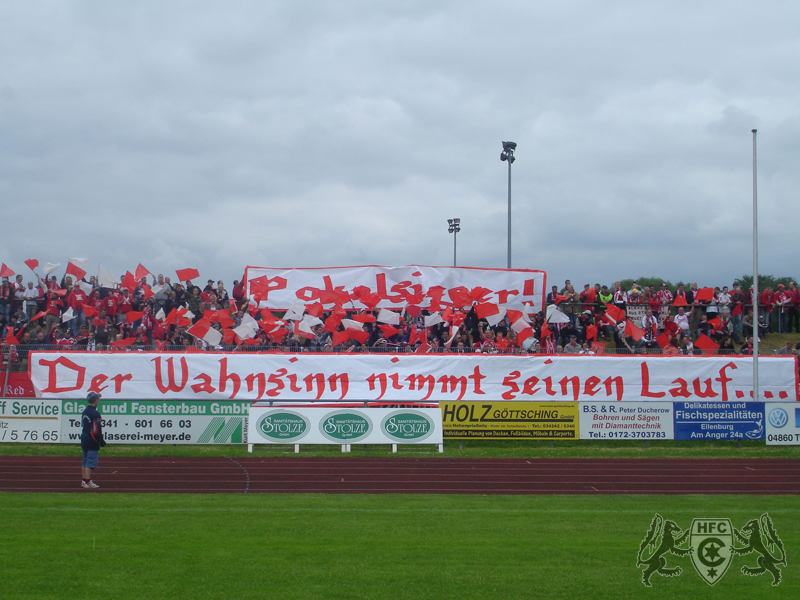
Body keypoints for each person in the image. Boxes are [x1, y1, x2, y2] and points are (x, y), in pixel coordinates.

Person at [80, 392, 106, 489]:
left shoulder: (85, 411)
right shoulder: (95, 413)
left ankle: (84, 480)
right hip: (92, 439)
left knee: (85, 460)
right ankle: (87, 481)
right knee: (90, 461)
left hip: (84, 437)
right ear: (96, 401)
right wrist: (101, 440)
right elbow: (96, 429)